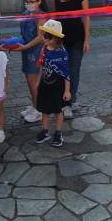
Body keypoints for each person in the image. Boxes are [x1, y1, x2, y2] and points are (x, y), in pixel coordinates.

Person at [50, 0, 90, 119]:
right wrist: (51, 38)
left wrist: (87, 39)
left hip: (77, 38)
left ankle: (71, 101)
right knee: (59, 70)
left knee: (73, 70)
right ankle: (61, 100)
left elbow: (86, 17)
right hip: (59, 38)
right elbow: (53, 16)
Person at [34, 19, 70, 147]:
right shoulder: (44, 49)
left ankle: (58, 132)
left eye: (47, 36)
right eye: (44, 35)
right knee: (44, 109)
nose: (44, 38)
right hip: (45, 84)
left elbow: (66, 73)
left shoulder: (62, 53)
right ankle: (45, 131)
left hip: (57, 86)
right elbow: (42, 67)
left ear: (56, 38)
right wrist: (38, 81)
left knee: (58, 110)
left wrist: (67, 90)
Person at [12, 0, 46, 124]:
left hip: (35, 51)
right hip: (26, 50)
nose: (29, 4)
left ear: (39, 2)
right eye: (27, 2)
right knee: (29, 79)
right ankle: (34, 105)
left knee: (34, 82)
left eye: (32, 2)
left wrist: (25, 47)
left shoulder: (41, 16)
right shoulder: (26, 14)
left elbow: (41, 37)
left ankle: (39, 110)